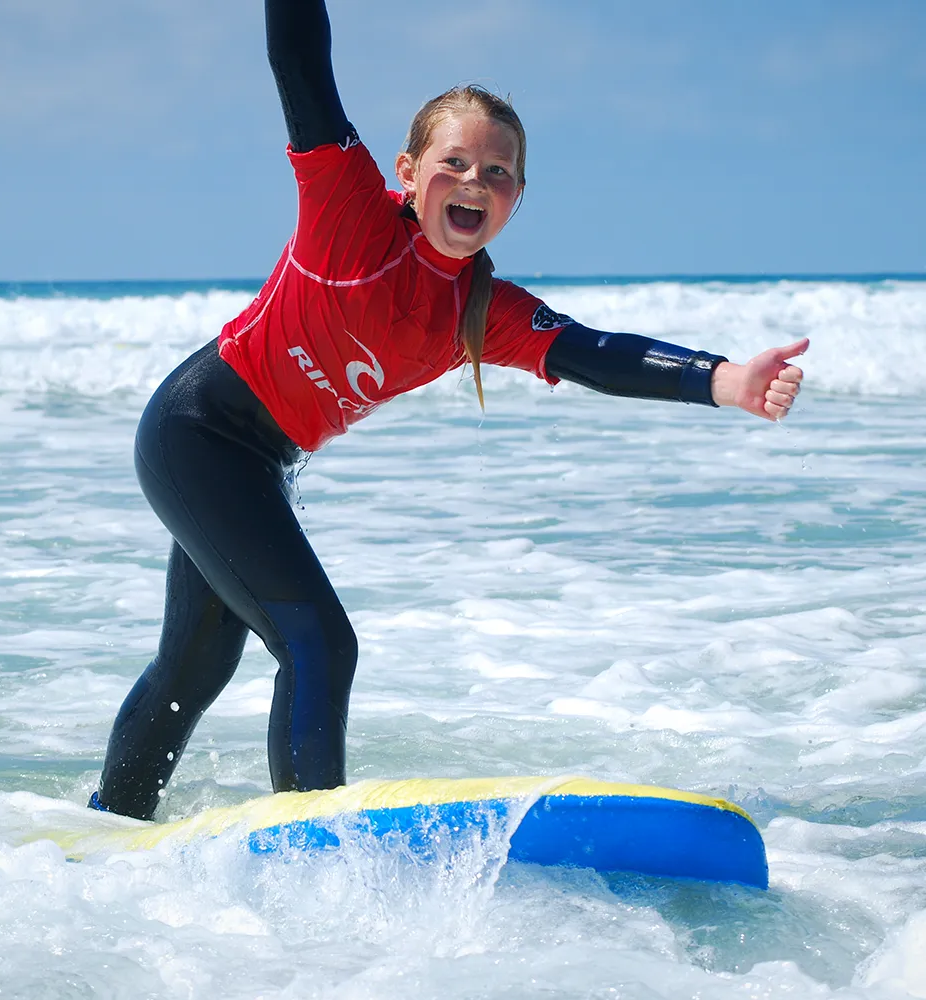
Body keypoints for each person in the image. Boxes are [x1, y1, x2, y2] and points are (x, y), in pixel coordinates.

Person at [89, 0, 807, 820]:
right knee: (320, 643)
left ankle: (109, 826)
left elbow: (592, 353)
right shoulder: (347, 209)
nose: (475, 182)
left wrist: (724, 379)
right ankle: (312, 844)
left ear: (518, 198)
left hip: (257, 466)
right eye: (455, 163)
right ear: (406, 171)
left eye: (498, 173)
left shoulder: (482, 308)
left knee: (194, 666)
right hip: (197, 434)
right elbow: (300, 67)